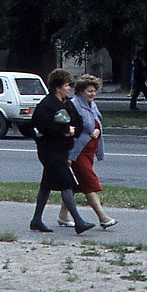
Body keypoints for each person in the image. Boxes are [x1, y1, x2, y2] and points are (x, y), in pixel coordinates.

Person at [30, 68, 95, 234]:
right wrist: (65, 129)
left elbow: (78, 122)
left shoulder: (68, 104)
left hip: (63, 150)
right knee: (67, 184)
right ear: (58, 87)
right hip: (49, 152)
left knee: (46, 186)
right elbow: (40, 126)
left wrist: (72, 130)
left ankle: (36, 220)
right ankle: (79, 222)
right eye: (67, 85)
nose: (69, 88)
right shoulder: (47, 105)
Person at [57, 74, 117, 230]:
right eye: (90, 91)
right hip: (78, 151)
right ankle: (103, 217)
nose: (93, 94)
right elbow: (70, 128)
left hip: (90, 150)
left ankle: (63, 216)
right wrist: (69, 155)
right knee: (89, 182)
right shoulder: (74, 105)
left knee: (77, 184)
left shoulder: (92, 104)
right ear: (81, 91)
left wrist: (97, 131)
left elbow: (97, 123)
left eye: (94, 91)